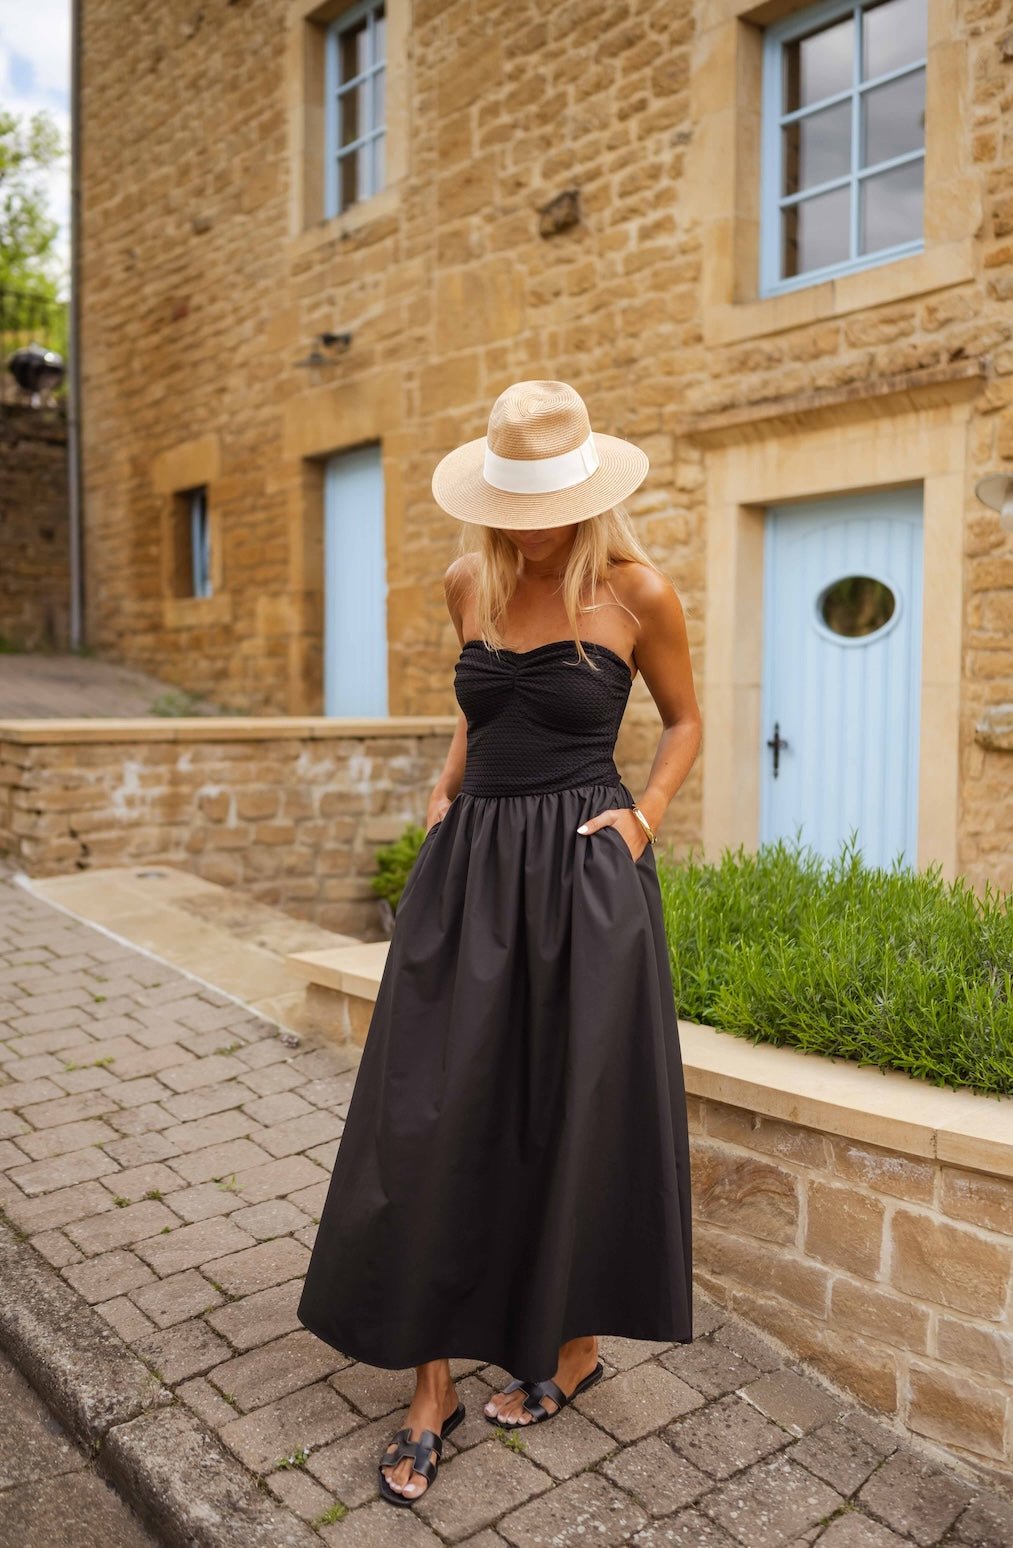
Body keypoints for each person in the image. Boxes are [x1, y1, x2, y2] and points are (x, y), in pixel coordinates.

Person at [296, 380, 702, 1507]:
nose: (531, 527)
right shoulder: (465, 579)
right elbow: (483, 716)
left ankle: (570, 1348)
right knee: (425, 1116)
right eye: (514, 504)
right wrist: (440, 788)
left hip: (582, 875)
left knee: (566, 1107)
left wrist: (645, 818)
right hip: (470, 872)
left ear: (585, 492)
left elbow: (685, 720)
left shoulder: (636, 593)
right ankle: (428, 1388)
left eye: (549, 505)